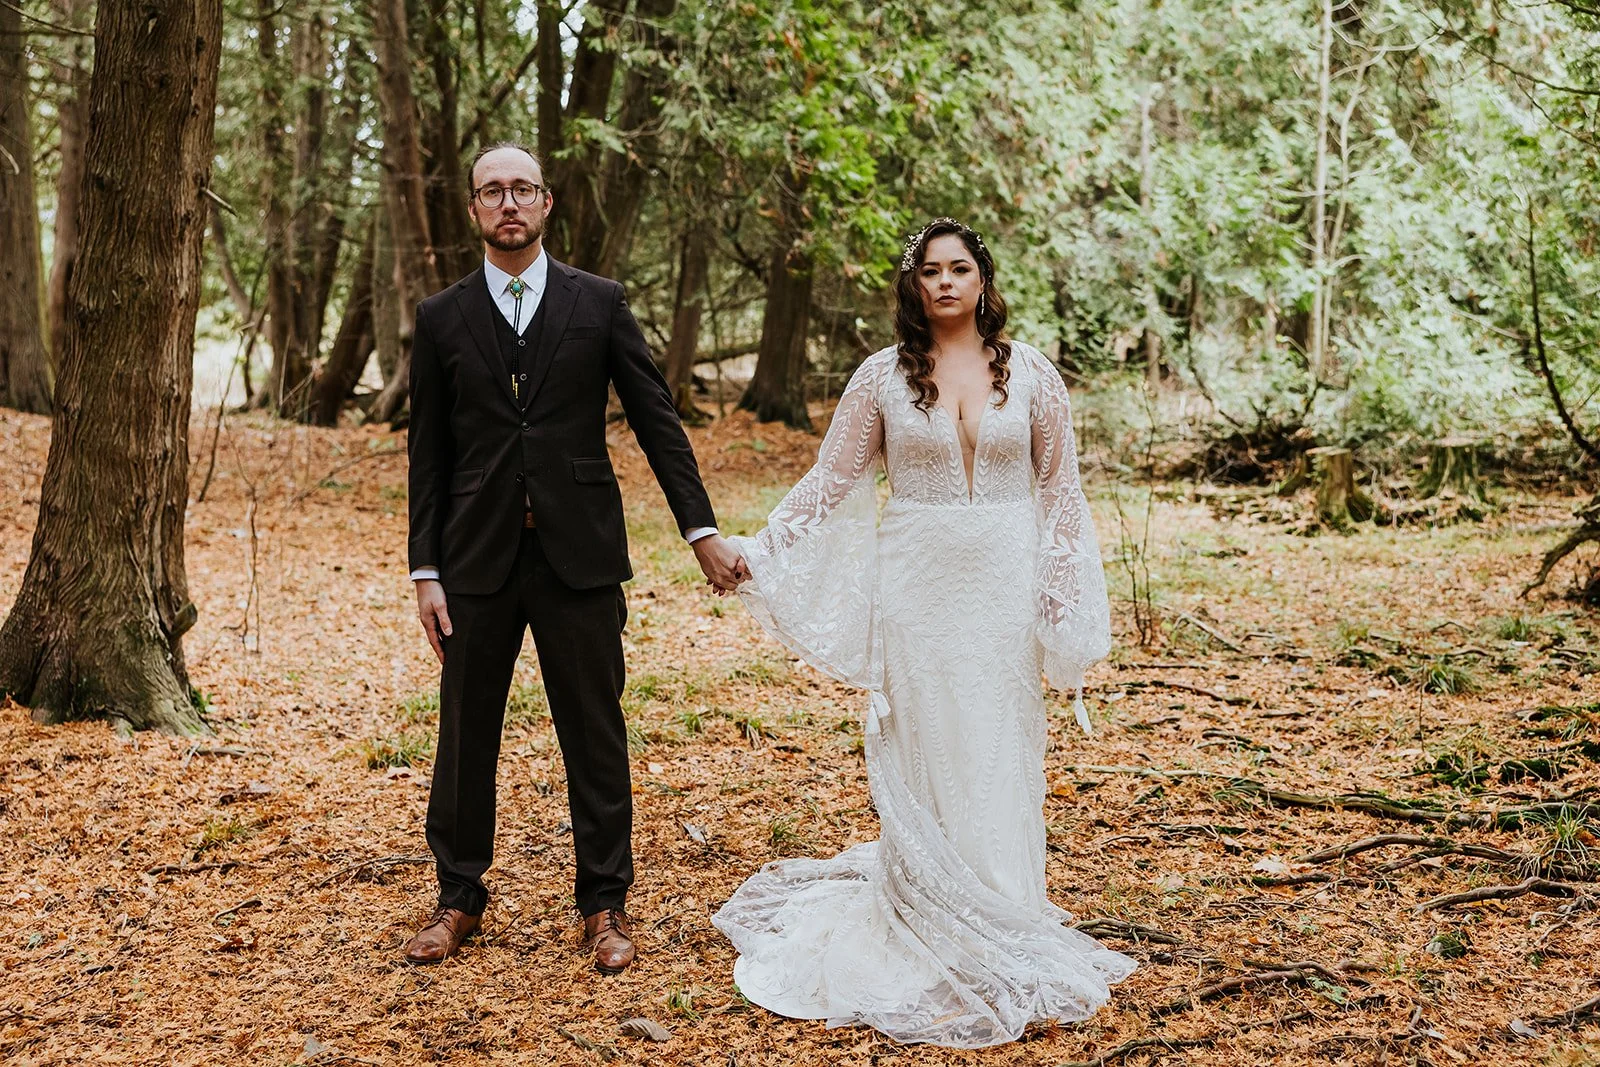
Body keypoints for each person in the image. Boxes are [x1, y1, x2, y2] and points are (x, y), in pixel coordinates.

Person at [712, 218, 1135, 1047]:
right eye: (930, 271)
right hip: (917, 588)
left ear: (983, 280)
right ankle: (923, 912)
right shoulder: (880, 379)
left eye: (960, 268)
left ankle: (1003, 902)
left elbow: (1061, 492)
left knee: (1002, 741)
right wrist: (759, 550)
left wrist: (1060, 592)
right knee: (929, 740)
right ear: (913, 287)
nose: (945, 282)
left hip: (1003, 587)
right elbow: (831, 481)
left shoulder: (1036, 374)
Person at [401, 141, 747, 973]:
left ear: (547, 203)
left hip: (580, 556)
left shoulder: (599, 303)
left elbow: (657, 419)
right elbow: (430, 455)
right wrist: (425, 570)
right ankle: (457, 896)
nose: (508, 203)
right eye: (493, 191)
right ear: (475, 208)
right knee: (463, 734)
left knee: (594, 730)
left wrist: (700, 531)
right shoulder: (441, 317)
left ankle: (604, 904)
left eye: (523, 189)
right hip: (476, 560)